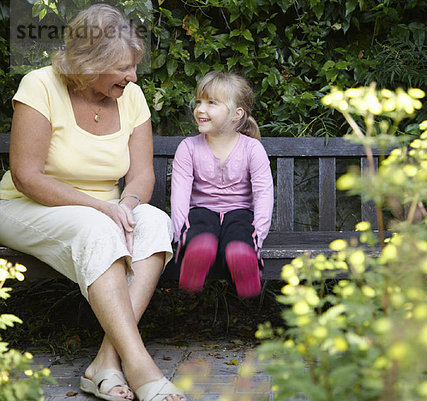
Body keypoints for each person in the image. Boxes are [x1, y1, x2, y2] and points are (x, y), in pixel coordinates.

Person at [0, 4, 186, 401]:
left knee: (154, 222)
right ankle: (140, 366)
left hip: (104, 212)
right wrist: (103, 208)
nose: (133, 77)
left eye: (135, 66)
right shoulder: (40, 86)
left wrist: (128, 203)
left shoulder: (132, 97)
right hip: (28, 206)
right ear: (88, 62)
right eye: (123, 68)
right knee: (100, 227)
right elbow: (27, 176)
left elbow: (141, 176)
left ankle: (105, 362)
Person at [170, 71, 273, 298]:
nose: (200, 109)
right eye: (199, 102)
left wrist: (260, 233)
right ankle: (196, 253)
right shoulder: (188, 148)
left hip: (241, 213)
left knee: (240, 232)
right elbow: (179, 198)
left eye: (211, 103)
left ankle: (243, 259)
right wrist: (180, 236)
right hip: (201, 212)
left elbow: (263, 194)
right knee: (199, 226)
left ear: (237, 114)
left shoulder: (252, 149)